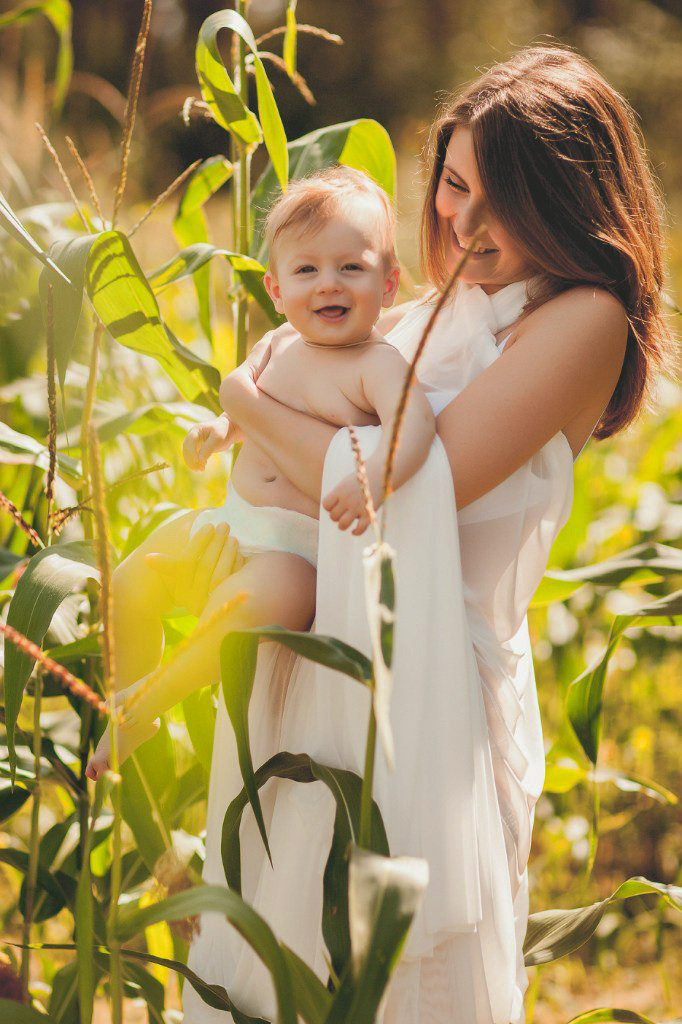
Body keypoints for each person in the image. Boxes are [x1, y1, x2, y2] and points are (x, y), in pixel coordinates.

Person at [180, 45, 673, 1024]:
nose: (462, 220)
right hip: (317, 660)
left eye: (502, 200)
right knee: (277, 964)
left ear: (566, 201)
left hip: (425, 698)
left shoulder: (583, 316)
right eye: (451, 185)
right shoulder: (434, 307)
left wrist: (241, 393)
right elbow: (340, 420)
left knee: (393, 973)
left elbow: (415, 480)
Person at [84, 167, 434, 781]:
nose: (329, 284)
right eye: (307, 270)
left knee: (265, 598)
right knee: (132, 581)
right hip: (231, 521)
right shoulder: (275, 345)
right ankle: (135, 700)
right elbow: (245, 414)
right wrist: (219, 433)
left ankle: (155, 694)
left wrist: (374, 477)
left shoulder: (375, 364)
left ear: (389, 284)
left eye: (351, 267)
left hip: (296, 554)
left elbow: (416, 426)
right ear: (274, 288)